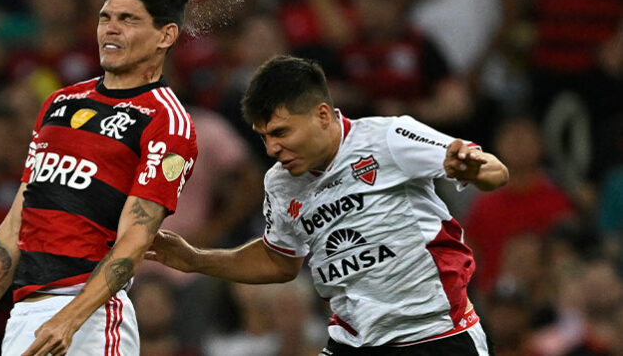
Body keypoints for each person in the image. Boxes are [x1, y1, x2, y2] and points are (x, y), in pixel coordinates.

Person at [147, 55, 509, 354]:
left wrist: (475, 168)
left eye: (281, 133)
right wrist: (195, 259)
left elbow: (496, 172)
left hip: (435, 335)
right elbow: (279, 261)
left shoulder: (388, 138)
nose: (272, 149)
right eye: (264, 137)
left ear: (322, 115)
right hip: (351, 342)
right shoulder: (280, 183)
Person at [0, 0, 198, 356]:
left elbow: (135, 238)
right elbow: (18, 222)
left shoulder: (166, 120)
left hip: (91, 319)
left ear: (166, 34)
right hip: (24, 315)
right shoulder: (59, 104)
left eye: (128, 19)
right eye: (105, 17)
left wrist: (71, 318)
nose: (110, 28)